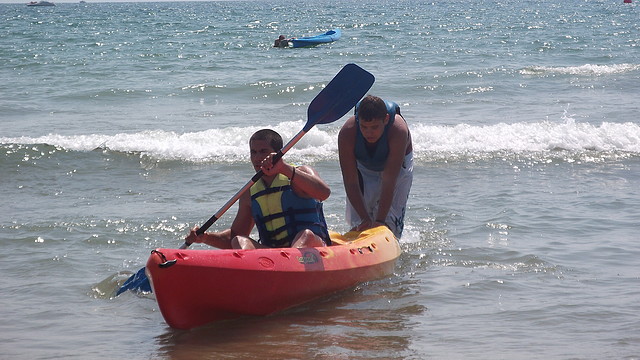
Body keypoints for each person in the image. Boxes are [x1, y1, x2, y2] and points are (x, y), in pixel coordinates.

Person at [186, 129, 331, 249]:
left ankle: (287, 271)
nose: (257, 158)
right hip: (273, 256)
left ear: (279, 153)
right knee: (239, 241)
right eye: (253, 152)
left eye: (263, 151)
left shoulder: (299, 173)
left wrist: (283, 168)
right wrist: (205, 237)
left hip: (314, 249)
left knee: (306, 235)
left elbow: (324, 193)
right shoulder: (250, 191)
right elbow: (233, 236)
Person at [338, 95, 413, 238]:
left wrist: (379, 221)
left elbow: (389, 181)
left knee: (389, 223)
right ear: (358, 120)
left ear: (385, 119)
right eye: (364, 127)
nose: (369, 133)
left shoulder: (398, 130)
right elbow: (350, 181)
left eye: (374, 127)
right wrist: (365, 219)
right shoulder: (347, 132)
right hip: (364, 164)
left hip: (398, 166)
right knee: (360, 223)